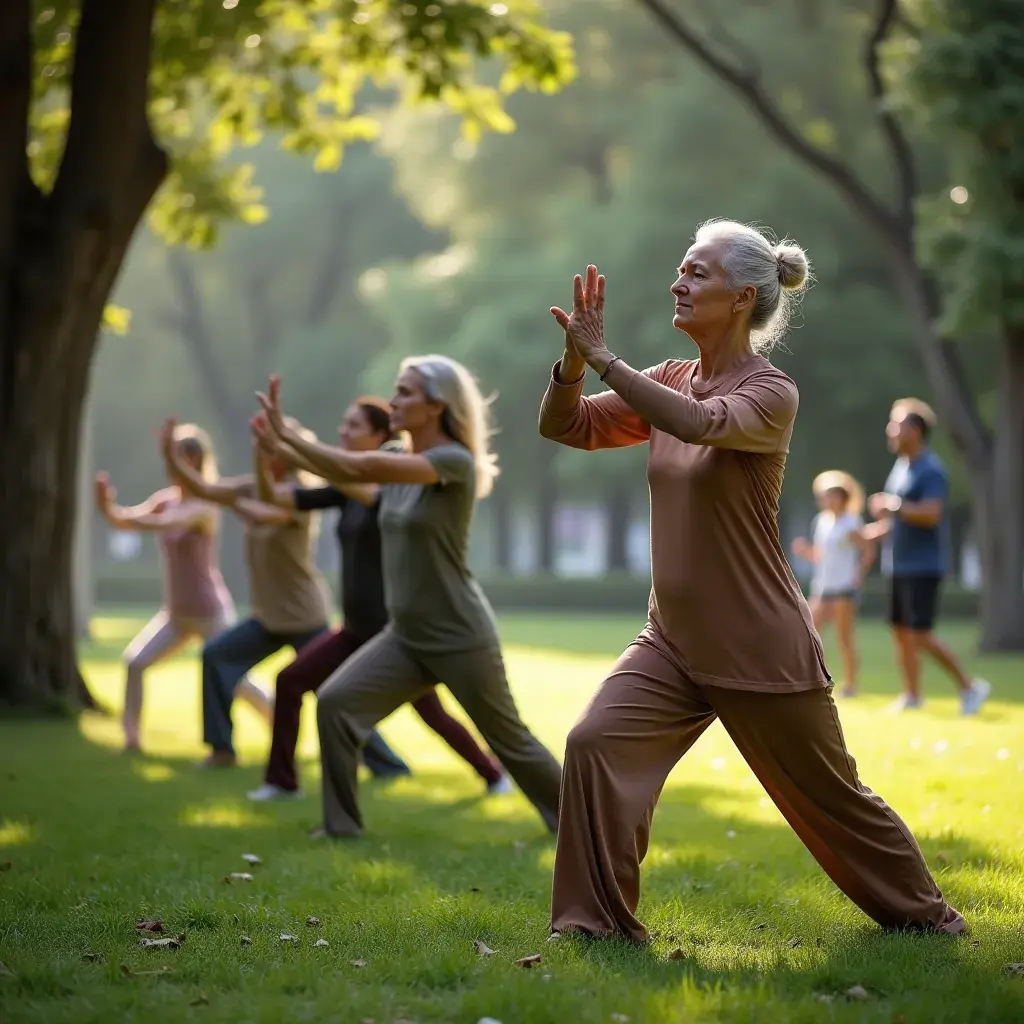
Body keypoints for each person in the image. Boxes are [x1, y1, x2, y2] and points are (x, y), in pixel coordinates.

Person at [538, 220, 965, 943]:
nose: (679, 282)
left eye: (696, 273)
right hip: (670, 642)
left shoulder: (771, 393)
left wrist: (609, 359)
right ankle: (593, 925)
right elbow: (568, 426)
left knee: (834, 799)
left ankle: (928, 919)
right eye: (680, 269)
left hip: (757, 645)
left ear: (741, 298)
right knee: (595, 742)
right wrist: (575, 362)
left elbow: (702, 424)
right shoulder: (669, 377)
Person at [253, 358, 562, 837]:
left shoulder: (452, 463)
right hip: (405, 635)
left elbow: (358, 463)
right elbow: (346, 473)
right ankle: (342, 828)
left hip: (458, 631)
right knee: (335, 703)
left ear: (437, 405)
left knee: (511, 741)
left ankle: (580, 827)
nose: (393, 401)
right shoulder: (399, 453)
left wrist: (288, 440)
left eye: (405, 393)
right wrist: (282, 446)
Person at [246, 395, 510, 801]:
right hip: (356, 628)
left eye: (353, 426)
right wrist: (266, 460)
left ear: (379, 436)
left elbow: (354, 478)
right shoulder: (345, 491)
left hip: (392, 631)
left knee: (432, 713)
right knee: (291, 680)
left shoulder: (394, 488)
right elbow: (278, 498)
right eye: (343, 423)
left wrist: (286, 444)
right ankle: (282, 782)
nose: (343, 431)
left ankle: (493, 774)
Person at [161, 418, 332, 767]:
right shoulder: (252, 486)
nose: (266, 453)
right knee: (216, 655)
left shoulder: (300, 493)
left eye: (271, 448)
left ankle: (383, 761)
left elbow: (262, 515)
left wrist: (235, 495)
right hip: (267, 617)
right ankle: (221, 750)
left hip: (304, 617)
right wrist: (172, 457)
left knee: (335, 690)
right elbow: (207, 489)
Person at [94, 424, 268, 752]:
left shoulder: (206, 505)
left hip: (208, 610)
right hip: (175, 613)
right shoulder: (166, 500)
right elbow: (127, 520)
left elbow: (161, 524)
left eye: (182, 460)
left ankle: (279, 725)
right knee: (135, 663)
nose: (174, 469)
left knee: (239, 681)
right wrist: (107, 507)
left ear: (198, 462)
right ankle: (131, 739)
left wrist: (119, 514)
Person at [865, 399, 990, 715]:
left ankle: (970, 687)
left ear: (915, 430)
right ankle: (912, 695)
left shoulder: (931, 469)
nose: (889, 430)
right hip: (898, 564)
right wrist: (869, 534)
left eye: (896, 424)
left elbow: (932, 513)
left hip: (923, 565)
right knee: (900, 631)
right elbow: (899, 519)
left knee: (919, 634)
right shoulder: (901, 467)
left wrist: (893, 506)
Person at [791, 470, 875, 697]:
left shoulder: (851, 522)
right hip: (823, 587)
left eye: (831, 495)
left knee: (844, 637)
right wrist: (805, 551)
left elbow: (868, 550)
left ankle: (851, 685)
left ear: (842, 496)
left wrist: (858, 574)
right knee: (809, 633)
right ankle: (817, 679)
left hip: (843, 588)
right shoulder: (821, 521)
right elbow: (821, 555)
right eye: (823, 495)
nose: (826, 500)